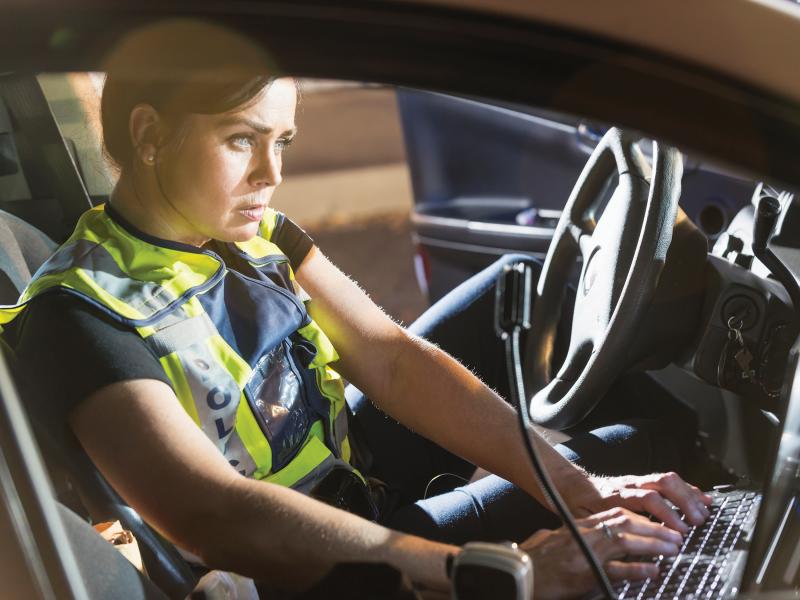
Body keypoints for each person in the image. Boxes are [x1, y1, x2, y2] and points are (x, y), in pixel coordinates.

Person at [0, 22, 711, 599]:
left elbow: (391, 360)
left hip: (351, 475)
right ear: (150, 134)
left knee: (517, 299)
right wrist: (504, 573)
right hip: (313, 562)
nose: (271, 176)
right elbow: (215, 514)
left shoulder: (254, 231)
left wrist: (578, 491)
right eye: (240, 139)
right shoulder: (76, 314)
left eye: (281, 142)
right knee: (631, 446)